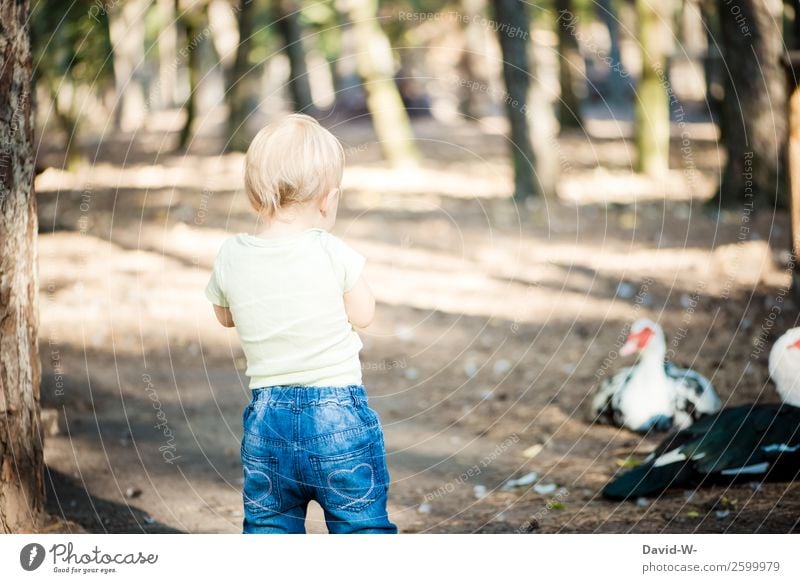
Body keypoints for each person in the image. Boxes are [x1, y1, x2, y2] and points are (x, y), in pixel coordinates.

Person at [205, 114, 397, 534]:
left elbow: (224, 315)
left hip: (266, 418)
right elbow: (364, 315)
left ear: (255, 196)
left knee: (270, 527)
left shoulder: (232, 254)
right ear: (328, 200)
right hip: (338, 417)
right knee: (360, 526)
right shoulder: (331, 251)